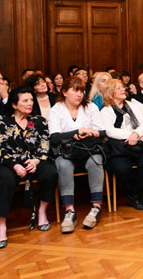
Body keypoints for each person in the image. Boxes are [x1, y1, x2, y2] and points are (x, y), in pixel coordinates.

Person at [0, 87, 57, 249]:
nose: (30, 104)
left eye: (31, 101)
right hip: (9, 162)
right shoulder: (1, 122)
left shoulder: (39, 121)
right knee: (5, 179)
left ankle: (42, 212)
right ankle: (1, 225)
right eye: (25, 101)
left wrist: (36, 161)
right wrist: (14, 165)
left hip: (33, 160)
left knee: (50, 172)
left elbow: (44, 146)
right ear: (14, 104)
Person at [48, 77, 106, 233]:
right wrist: (77, 132)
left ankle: (96, 206)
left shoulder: (91, 107)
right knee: (63, 165)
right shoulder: (56, 109)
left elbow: (101, 132)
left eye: (81, 91)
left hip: (87, 148)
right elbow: (54, 137)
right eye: (74, 90)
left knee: (96, 162)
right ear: (65, 92)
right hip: (66, 151)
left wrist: (88, 133)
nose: (79, 94)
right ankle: (69, 210)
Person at [100, 79, 143, 210]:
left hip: (137, 145)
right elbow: (109, 131)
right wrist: (131, 135)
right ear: (110, 92)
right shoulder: (106, 111)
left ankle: (136, 193)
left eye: (123, 87)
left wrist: (136, 135)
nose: (122, 90)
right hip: (118, 148)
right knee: (121, 168)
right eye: (118, 88)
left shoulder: (132, 105)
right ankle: (132, 193)